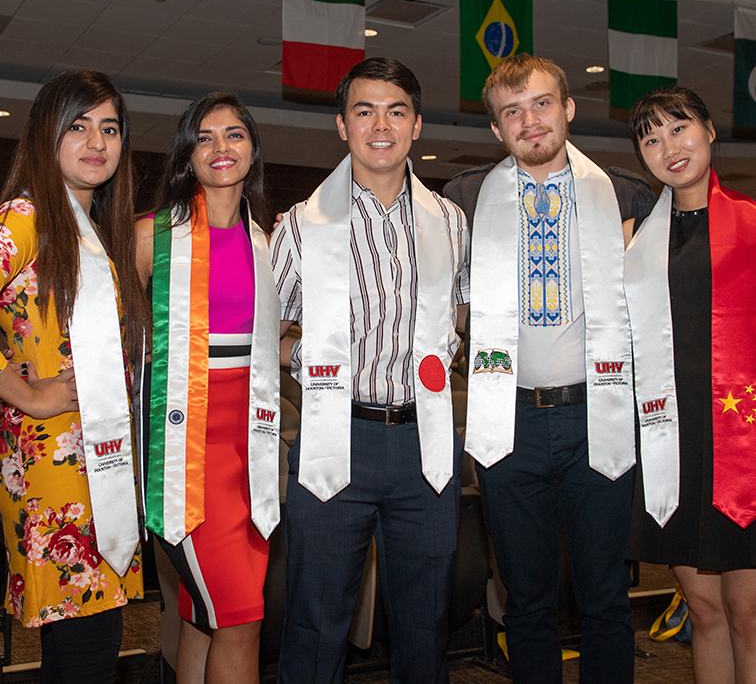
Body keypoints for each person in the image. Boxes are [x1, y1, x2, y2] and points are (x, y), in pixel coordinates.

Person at [444, 53, 654, 684]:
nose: (528, 121)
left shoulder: (628, 194)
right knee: (526, 599)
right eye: (512, 112)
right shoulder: (466, 196)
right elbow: (444, 300)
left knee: (605, 597)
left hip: (602, 415)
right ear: (496, 130)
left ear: (567, 108)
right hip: (511, 424)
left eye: (540, 104)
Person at [270, 57, 469, 684]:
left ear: (415, 127)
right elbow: (264, 332)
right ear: (341, 125)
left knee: (424, 625)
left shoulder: (451, 223)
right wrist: (309, 362)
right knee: (316, 622)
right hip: (336, 438)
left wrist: (452, 350)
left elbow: (459, 317)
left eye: (396, 111)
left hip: (425, 444)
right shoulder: (302, 225)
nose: (380, 125)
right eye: (364, 111)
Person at [0, 69, 148, 683]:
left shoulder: (99, 234)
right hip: (51, 474)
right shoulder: (24, 220)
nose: (96, 141)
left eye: (108, 128)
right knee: (86, 651)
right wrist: (28, 394)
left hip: (101, 465)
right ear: (46, 135)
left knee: (85, 651)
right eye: (78, 125)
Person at [136, 92, 281, 684]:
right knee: (242, 620)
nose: (221, 148)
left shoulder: (265, 242)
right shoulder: (151, 237)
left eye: (234, 134)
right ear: (186, 154)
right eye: (205, 136)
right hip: (185, 458)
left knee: (205, 615)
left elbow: (269, 346)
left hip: (250, 457)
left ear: (252, 148)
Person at [625, 86, 756, 684]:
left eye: (678, 129)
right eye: (650, 139)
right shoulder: (634, 244)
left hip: (743, 438)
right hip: (670, 442)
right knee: (703, 611)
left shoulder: (752, 225)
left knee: (747, 611)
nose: (668, 147)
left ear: (708, 129)